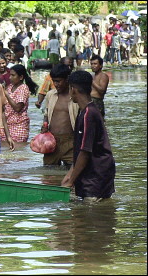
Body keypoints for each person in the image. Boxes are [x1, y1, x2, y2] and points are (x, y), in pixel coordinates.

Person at [61, 70, 115, 201]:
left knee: (91, 213)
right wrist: (70, 174)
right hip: (96, 174)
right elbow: (81, 150)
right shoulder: (87, 111)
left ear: (73, 90)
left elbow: (85, 152)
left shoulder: (88, 114)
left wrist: (71, 180)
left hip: (95, 176)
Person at [41, 64, 79, 166]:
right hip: (51, 141)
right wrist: (44, 124)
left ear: (67, 79)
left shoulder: (75, 97)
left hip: (70, 141)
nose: (56, 84)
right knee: (49, 172)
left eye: (59, 81)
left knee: (72, 170)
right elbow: (47, 114)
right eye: (54, 81)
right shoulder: (50, 95)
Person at [0, 64, 38, 145]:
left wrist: (6, 94)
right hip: (7, 125)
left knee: (18, 152)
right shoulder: (10, 87)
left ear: (21, 77)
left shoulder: (23, 88)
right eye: (10, 75)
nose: (10, 78)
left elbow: (17, 108)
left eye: (13, 75)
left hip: (19, 126)